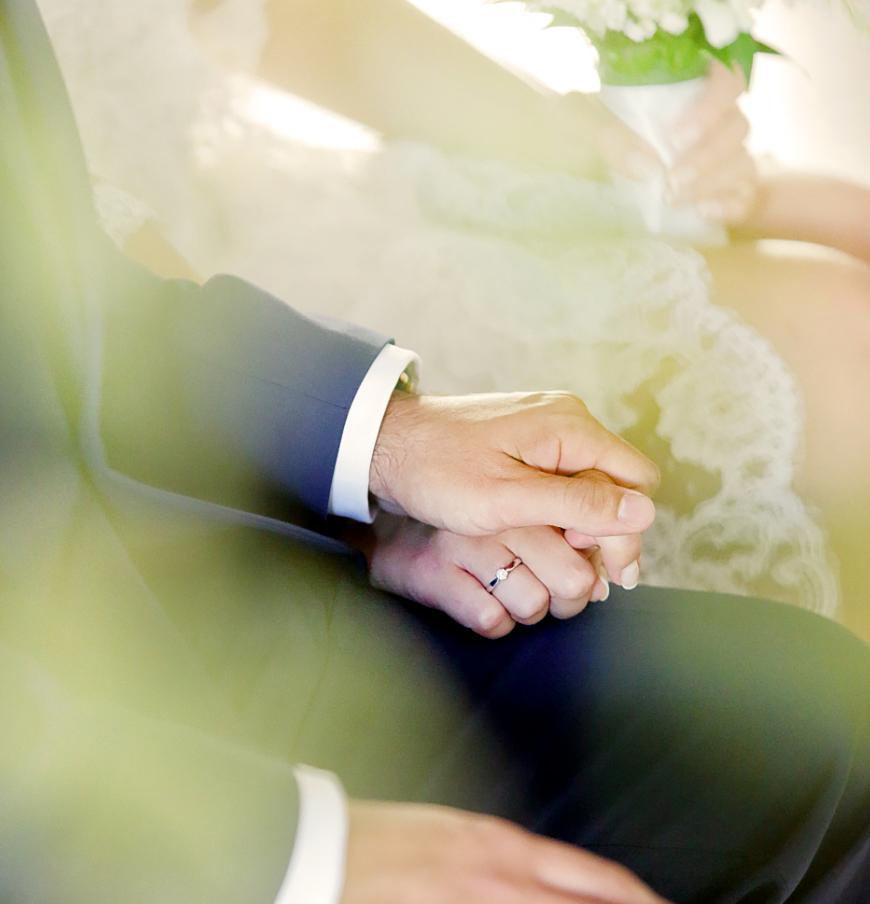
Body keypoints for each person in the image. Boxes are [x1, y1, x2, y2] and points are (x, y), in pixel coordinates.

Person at [2, 2, 869, 904]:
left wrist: (382, 460)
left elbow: (57, 315)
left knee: (823, 733)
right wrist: (291, 885)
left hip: (172, 603)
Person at [34, 0, 870, 640]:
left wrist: (587, 144)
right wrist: (361, 467)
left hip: (294, 218)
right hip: (136, 389)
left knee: (839, 259)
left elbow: (290, 23)